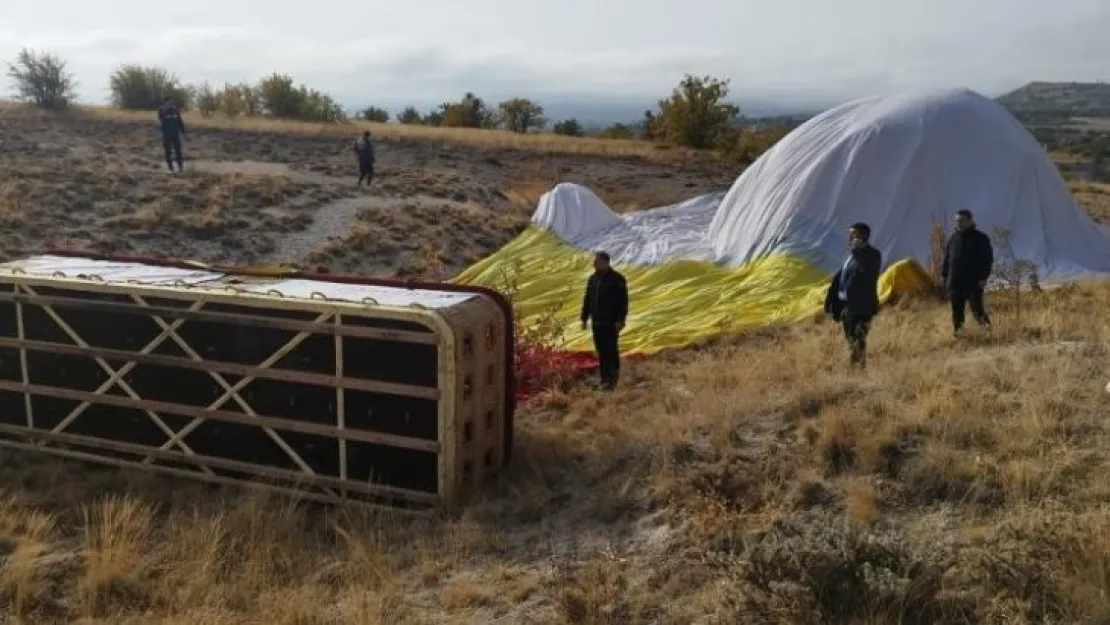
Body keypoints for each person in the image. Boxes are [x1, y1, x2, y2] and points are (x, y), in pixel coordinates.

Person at [824, 222, 883, 369]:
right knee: (850, 339)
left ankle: (858, 370)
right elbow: (842, 277)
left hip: (862, 307)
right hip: (847, 306)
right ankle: (854, 366)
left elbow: (866, 272)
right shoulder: (851, 256)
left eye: (854, 234)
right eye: (850, 234)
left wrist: (857, 252)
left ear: (863, 236)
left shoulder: (873, 255)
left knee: (859, 339)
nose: (850, 238)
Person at [580, 251, 628, 391]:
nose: (594, 264)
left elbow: (623, 302)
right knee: (601, 351)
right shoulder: (593, 279)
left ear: (605, 262)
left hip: (611, 323)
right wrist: (584, 318)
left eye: (597, 261)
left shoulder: (617, 279)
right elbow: (587, 299)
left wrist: (620, 320)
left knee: (611, 351)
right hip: (597, 322)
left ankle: (613, 380)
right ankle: (604, 379)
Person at [941, 209, 994, 336]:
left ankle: (988, 332)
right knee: (957, 311)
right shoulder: (953, 239)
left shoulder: (981, 239)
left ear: (970, 220)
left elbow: (987, 260)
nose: (959, 223)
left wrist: (983, 278)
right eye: (957, 221)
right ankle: (959, 334)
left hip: (973, 281)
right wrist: (944, 276)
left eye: (962, 221)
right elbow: (947, 259)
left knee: (977, 309)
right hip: (955, 281)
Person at [157, 96, 186, 171]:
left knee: (178, 151)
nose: (171, 103)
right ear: (165, 102)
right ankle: (171, 168)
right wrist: (167, 107)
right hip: (166, 134)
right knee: (168, 151)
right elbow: (161, 116)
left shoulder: (175, 110)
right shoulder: (161, 109)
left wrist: (183, 131)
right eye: (169, 102)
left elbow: (179, 120)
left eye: (172, 102)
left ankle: (181, 167)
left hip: (175, 134)